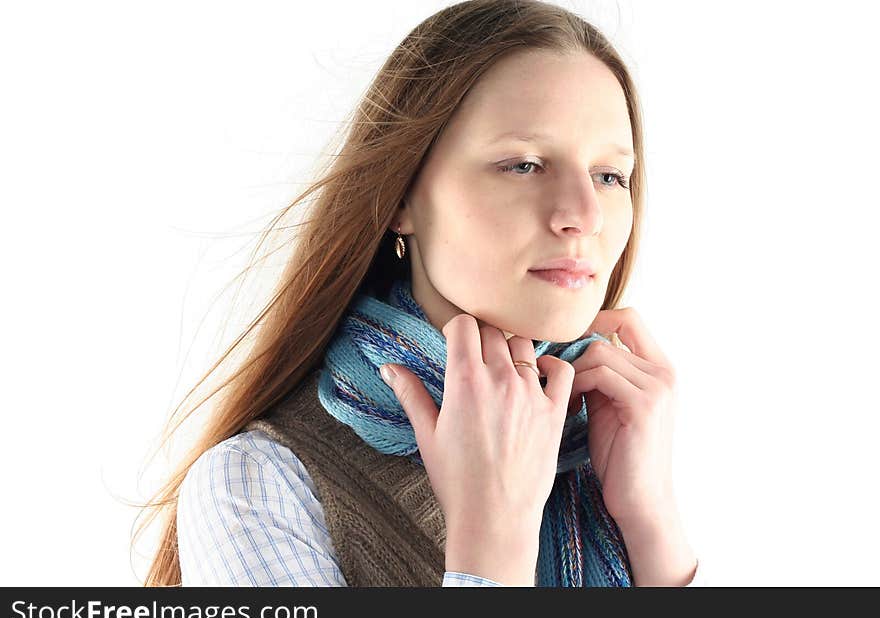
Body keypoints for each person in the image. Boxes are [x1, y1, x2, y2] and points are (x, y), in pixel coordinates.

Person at [136, 0, 709, 587]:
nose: (584, 215)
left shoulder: (609, 445)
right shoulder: (257, 486)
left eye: (610, 176)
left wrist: (652, 526)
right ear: (403, 197)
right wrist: (491, 550)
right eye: (524, 164)